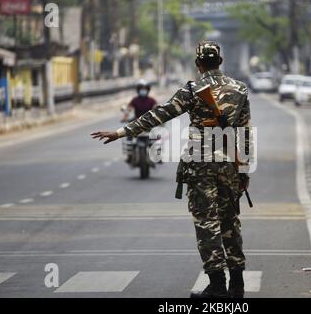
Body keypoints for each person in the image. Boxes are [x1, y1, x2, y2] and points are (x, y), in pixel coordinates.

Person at [91, 41, 252, 298]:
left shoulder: (193, 89)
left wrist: (122, 132)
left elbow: (159, 115)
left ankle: (217, 286)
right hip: (230, 164)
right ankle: (237, 285)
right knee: (230, 221)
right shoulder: (240, 89)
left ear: (198, 64)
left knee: (207, 223)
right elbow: (244, 134)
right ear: (220, 61)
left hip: (200, 164)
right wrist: (244, 173)